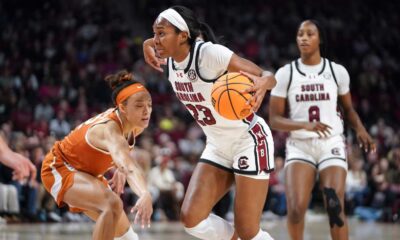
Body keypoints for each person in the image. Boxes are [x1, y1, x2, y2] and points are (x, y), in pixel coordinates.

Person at [143, 6, 276, 240]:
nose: (156, 40)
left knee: (248, 229)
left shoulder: (209, 54)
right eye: (154, 34)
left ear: (183, 35)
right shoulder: (172, 61)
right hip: (217, 144)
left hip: (249, 139)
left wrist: (264, 83)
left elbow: (266, 75)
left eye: (161, 33)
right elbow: (161, 42)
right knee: (191, 218)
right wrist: (148, 43)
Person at [269, 20, 376, 240]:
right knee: (297, 209)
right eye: (300, 34)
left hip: (331, 143)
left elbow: (348, 109)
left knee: (334, 205)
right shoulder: (285, 73)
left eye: (310, 33)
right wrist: (304, 125)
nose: (304, 38)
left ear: (320, 39)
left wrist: (360, 128)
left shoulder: (337, 72)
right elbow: (274, 119)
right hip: (300, 146)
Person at [41, 70, 153, 240]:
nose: (147, 111)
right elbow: (128, 165)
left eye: (149, 105)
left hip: (88, 174)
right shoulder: (110, 130)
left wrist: (119, 167)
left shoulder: (137, 124)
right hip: (60, 168)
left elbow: (122, 156)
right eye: (139, 105)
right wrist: (144, 193)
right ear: (122, 108)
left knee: (128, 237)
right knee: (112, 204)